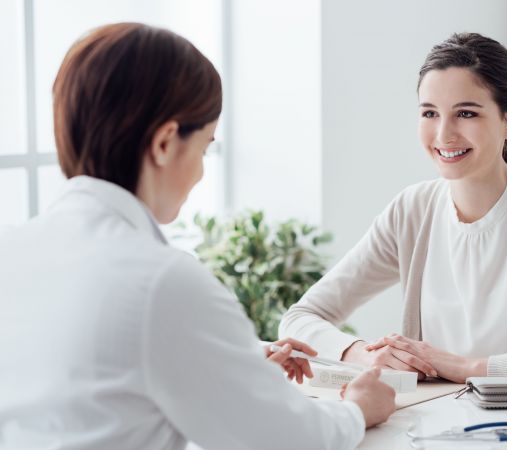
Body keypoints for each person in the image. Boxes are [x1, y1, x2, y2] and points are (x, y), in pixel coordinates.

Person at [0, 23, 395, 450]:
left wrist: (227, 362)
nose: (202, 171)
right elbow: (291, 440)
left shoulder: (12, 250)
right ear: (166, 143)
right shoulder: (161, 281)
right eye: (204, 146)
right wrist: (357, 407)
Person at [279, 32, 507, 391]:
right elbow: (299, 319)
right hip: (436, 424)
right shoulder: (413, 210)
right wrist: (360, 353)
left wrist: (468, 368)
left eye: (466, 113)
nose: (443, 135)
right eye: (429, 113)